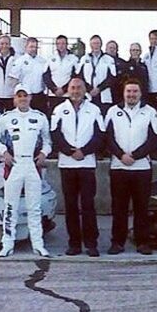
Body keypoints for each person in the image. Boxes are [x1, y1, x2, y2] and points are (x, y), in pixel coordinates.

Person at [0, 84, 52, 257]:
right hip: (13, 166)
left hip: (33, 166)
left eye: (25, 95)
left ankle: (38, 244)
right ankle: (7, 244)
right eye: (19, 96)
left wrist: (43, 154)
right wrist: (4, 153)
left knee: (35, 207)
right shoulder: (6, 118)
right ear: (14, 99)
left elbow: (48, 141)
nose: (23, 98)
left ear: (30, 97)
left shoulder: (40, 117)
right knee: (10, 207)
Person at [105, 78, 157, 255]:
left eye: (135, 91)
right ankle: (117, 242)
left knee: (141, 207)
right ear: (123, 93)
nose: (131, 95)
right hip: (118, 167)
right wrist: (121, 155)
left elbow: (154, 139)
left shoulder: (150, 112)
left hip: (142, 168)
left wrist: (135, 156)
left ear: (141, 93)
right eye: (128, 91)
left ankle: (142, 242)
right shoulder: (113, 111)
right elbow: (108, 138)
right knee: (119, 207)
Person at [51, 77, 104, 257]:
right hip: (67, 163)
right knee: (71, 205)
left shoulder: (94, 109)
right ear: (68, 89)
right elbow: (55, 134)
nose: (75, 91)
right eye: (72, 88)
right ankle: (74, 243)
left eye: (79, 87)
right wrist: (68, 151)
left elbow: (99, 135)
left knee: (88, 204)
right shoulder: (59, 109)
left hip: (87, 163)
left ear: (84, 89)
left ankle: (91, 243)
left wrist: (85, 151)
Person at [76, 34, 117, 115]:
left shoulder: (109, 59)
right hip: (88, 95)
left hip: (103, 95)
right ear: (90, 45)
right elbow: (79, 76)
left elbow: (112, 77)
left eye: (98, 43)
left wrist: (99, 88)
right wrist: (89, 89)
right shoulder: (84, 58)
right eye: (94, 43)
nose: (96, 45)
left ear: (101, 44)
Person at [8, 37, 48, 113]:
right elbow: (13, 79)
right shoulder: (19, 61)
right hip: (25, 96)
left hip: (39, 96)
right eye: (31, 47)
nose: (33, 49)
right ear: (26, 47)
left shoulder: (43, 61)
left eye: (35, 47)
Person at [43, 34, 79, 113]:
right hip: (53, 95)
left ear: (66, 44)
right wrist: (54, 89)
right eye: (58, 43)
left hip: (68, 94)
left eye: (63, 43)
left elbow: (75, 77)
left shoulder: (73, 59)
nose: (61, 46)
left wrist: (64, 89)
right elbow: (46, 76)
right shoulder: (50, 58)